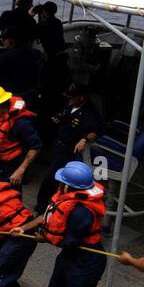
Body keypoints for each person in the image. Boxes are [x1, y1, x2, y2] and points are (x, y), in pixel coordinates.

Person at [22, 161, 108, 287]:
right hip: (70, 255)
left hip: (86, 259)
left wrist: (45, 239)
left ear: (69, 186)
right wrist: (26, 228)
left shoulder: (81, 212)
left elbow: (70, 241)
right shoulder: (68, 200)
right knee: (55, 286)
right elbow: (49, 218)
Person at [36, 82, 103, 212]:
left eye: (72, 97)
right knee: (51, 177)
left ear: (81, 97)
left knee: (53, 177)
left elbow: (95, 131)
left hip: (70, 150)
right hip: (59, 145)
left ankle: (44, 207)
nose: (69, 99)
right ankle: (43, 205)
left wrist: (84, 139)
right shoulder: (69, 106)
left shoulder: (90, 112)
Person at [0, 85, 43, 189]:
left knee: (8, 200)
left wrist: (20, 170)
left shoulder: (20, 123)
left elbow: (36, 147)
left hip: (9, 169)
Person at [0, 28, 42, 100]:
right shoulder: (35, 53)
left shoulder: (9, 55)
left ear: (11, 40)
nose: (3, 41)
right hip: (30, 92)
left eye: (5, 39)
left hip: (14, 94)